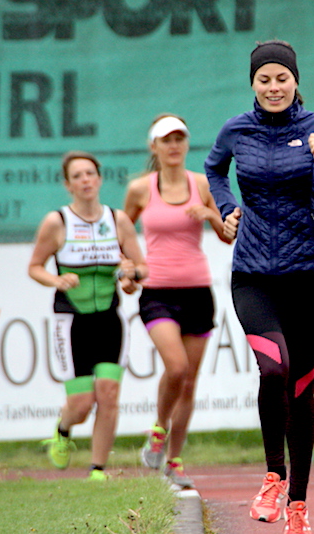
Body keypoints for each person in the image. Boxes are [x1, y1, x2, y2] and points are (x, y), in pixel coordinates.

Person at [205, 40, 314, 534]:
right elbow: (213, 169)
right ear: (253, 83)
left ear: (295, 81)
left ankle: (298, 502)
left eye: (282, 78)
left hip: (306, 280)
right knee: (273, 371)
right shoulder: (237, 130)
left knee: (300, 389)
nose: (273, 87)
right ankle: (273, 476)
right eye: (264, 79)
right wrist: (226, 204)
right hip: (252, 275)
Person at [123, 114, 232, 489]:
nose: (173, 146)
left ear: (186, 144)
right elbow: (123, 233)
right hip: (158, 293)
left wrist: (210, 215)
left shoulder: (201, 185)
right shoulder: (140, 189)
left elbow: (228, 235)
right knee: (176, 367)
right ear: (154, 146)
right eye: (165, 140)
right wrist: (128, 268)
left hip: (198, 292)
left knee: (189, 383)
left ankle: (175, 459)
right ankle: (158, 429)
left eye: (179, 139)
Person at [29, 151, 147, 481]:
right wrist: (57, 280)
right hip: (71, 320)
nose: (85, 180)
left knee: (108, 394)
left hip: (109, 319)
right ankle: (63, 431)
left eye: (90, 174)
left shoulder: (117, 219)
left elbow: (140, 268)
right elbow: (34, 267)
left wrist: (129, 275)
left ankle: (97, 469)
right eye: (77, 176)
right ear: (68, 184)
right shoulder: (57, 222)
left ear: (100, 179)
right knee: (82, 404)